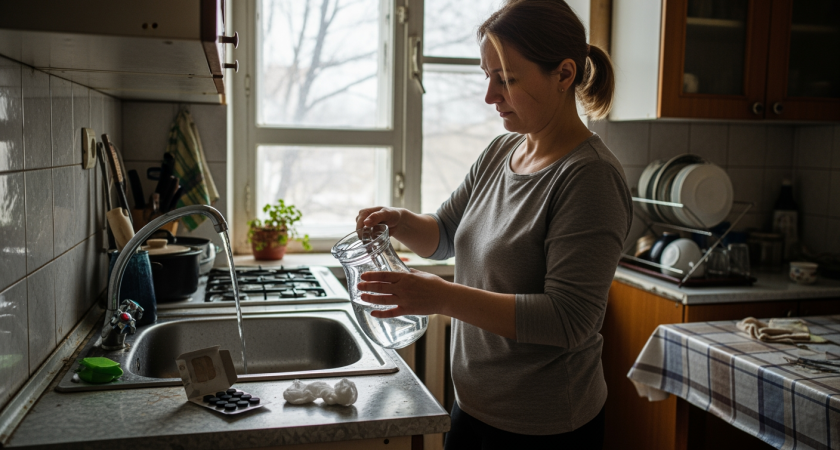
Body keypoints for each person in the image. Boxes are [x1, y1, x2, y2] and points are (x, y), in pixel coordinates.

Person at [354, 1, 631, 448]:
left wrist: (441, 296)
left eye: (506, 79)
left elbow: (569, 320)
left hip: (544, 426)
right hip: (472, 406)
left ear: (564, 74)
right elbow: (445, 234)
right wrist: (400, 221)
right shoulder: (501, 151)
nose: (490, 95)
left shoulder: (590, 176)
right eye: (487, 76)